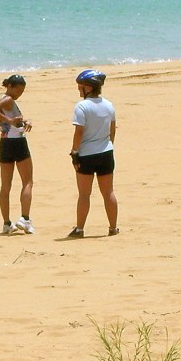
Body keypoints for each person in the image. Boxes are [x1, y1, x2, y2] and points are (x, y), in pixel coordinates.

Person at [68, 69, 118, 238]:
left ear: (88, 87)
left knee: (84, 194)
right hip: (106, 153)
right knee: (108, 192)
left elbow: (79, 132)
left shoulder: (82, 106)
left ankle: (80, 229)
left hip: (86, 154)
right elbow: (112, 130)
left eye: (80, 86)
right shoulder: (109, 105)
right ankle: (113, 228)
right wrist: (108, 145)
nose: (78, 90)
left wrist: (75, 151)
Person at [0, 74, 34, 234]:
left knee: (6, 185)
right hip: (18, 143)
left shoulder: (7, 100)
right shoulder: (7, 99)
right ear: (11, 87)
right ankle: (25, 219)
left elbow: (11, 120)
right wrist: (10, 120)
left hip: (5, 143)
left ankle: (7, 223)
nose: (20, 94)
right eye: (18, 90)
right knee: (27, 181)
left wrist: (22, 121)